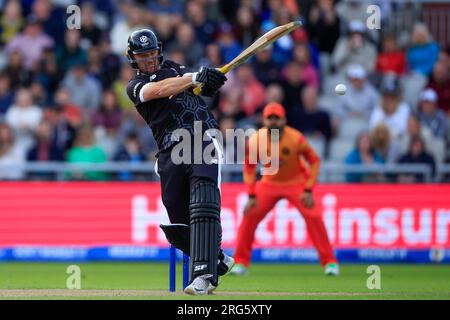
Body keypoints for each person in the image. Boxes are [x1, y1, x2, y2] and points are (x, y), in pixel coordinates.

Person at [125, 29, 233, 295]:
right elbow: (161, 89)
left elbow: (199, 86)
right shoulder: (135, 87)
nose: (149, 59)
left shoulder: (175, 68)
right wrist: (193, 78)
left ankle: (202, 276)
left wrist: (208, 81)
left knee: (203, 202)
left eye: (151, 53)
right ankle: (217, 257)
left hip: (201, 137)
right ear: (133, 59)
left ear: (158, 50)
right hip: (169, 150)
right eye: (142, 56)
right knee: (178, 218)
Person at [231, 103, 339, 276]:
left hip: (296, 183)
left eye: (277, 118)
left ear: (284, 120)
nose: (273, 122)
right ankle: (240, 262)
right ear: (264, 120)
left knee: (314, 216)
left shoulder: (296, 138)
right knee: (249, 214)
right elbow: (249, 168)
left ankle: (330, 263)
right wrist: (251, 194)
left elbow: (315, 160)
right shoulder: (256, 140)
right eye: (270, 118)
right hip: (269, 183)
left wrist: (309, 189)